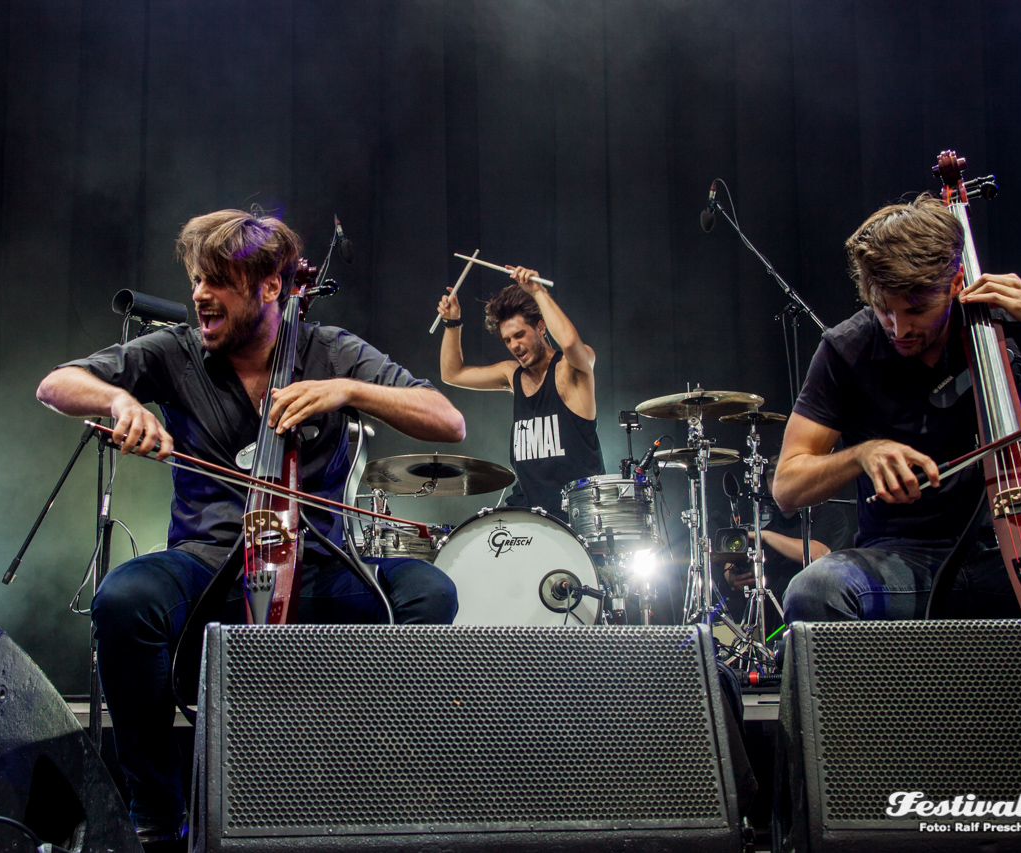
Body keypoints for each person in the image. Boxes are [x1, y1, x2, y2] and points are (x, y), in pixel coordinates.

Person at [36, 209, 465, 850]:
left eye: (218, 283)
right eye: (196, 281)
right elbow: (57, 382)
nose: (200, 297)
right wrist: (119, 401)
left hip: (321, 560)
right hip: (208, 563)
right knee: (124, 600)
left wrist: (347, 390)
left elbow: (446, 420)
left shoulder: (331, 351)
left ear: (270, 287)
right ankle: (156, 816)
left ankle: (374, 789)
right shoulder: (174, 351)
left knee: (429, 593)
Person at [772, 194, 1021, 622]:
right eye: (883, 309)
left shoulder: (999, 322)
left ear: (956, 281)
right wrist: (862, 454)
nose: (900, 328)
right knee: (815, 590)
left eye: (916, 310)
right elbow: (787, 487)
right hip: (901, 563)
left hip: (1017, 551)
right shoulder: (846, 349)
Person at [436, 266, 604, 521]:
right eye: (507, 340)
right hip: (527, 515)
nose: (514, 345)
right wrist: (452, 322)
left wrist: (537, 292)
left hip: (576, 517)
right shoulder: (511, 374)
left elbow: (570, 343)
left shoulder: (572, 369)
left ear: (540, 328)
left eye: (519, 335)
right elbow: (452, 374)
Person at [721, 455, 851, 636]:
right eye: (772, 476)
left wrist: (765, 537)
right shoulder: (763, 513)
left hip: (810, 621)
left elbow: (817, 552)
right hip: (764, 622)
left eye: (785, 476)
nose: (777, 484)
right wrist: (731, 572)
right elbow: (735, 549)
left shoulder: (828, 512)